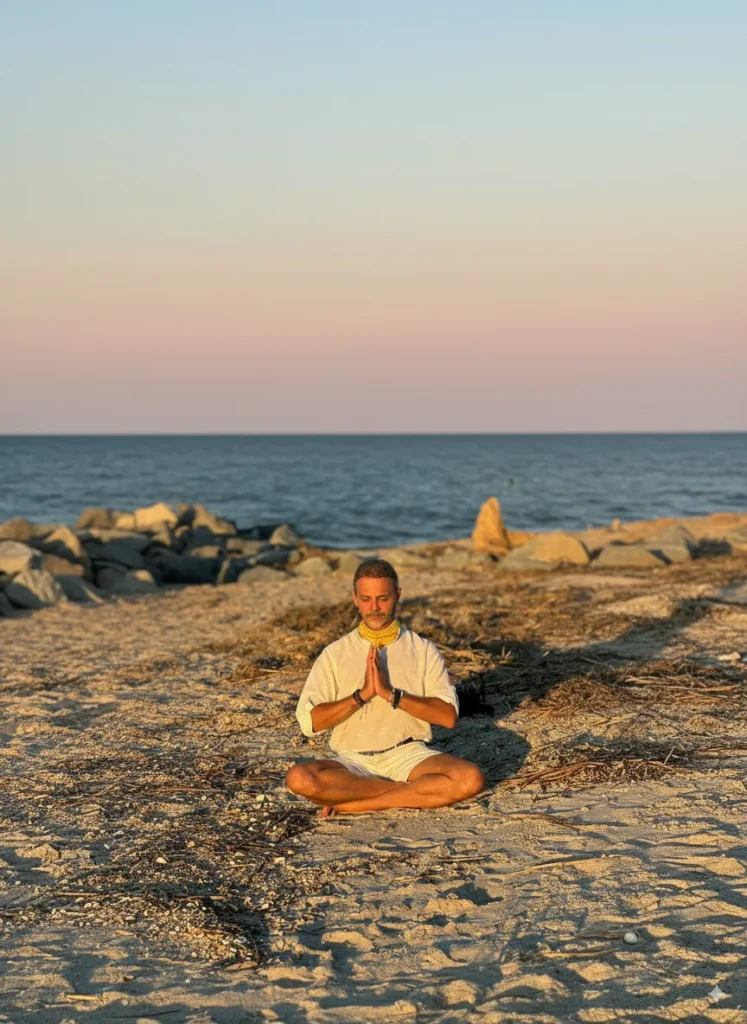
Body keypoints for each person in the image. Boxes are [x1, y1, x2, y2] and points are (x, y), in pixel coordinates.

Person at [286, 558, 486, 815]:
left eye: (383, 598)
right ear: (355, 598)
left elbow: (447, 717)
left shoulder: (423, 649)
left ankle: (359, 804)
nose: (374, 607)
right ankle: (403, 792)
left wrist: (392, 696)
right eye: (366, 599)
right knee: (299, 778)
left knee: (471, 778)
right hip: (353, 761)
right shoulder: (334, 653)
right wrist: (361, 696)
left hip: (409, 755)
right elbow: (310, 723)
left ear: (398, 595)